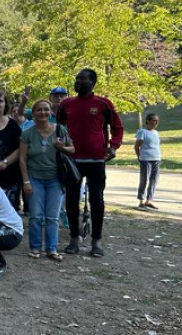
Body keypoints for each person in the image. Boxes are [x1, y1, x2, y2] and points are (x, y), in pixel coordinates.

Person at [57, 68, 124, 257]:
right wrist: (62, 146)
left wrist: (113, 147)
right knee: (71, 200)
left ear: (93, 82)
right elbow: (60, 127)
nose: (78, 81)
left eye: (83, 79)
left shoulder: (103, 104)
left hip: (96, 160)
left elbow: (117, 127)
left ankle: (96, 241)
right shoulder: (66, 104)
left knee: (97, 200)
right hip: (72, 160)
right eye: (77, 78)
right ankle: (74, 239)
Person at [19, 99, 75, 262]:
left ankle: (52, 249)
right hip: (35, 179)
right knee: (36, 215)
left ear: (51, 112)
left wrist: (61, 147)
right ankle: (35, 248)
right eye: (39, 110)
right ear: (33, 113)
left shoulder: (60, 130)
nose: (42, 113)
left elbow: (72, 149)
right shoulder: (28, 133)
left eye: (46, 110)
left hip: (55, 179)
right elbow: (22, 159)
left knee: (52, 216)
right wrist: (26, 181)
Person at [135, 113, 161, 211]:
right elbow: (137, 146)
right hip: (146, 159)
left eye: (157, 120)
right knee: (144, 180)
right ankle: (141, 201)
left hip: (156, 159)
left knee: (154, 180)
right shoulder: (143, 132)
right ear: (148, 121)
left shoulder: (156, 132)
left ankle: (149, 200)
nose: (156, 122)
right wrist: (139, 157)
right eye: (154, 120)